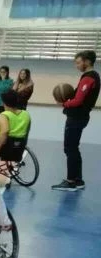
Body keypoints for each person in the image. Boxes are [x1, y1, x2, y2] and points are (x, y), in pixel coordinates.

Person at [52, 50, 99, 191]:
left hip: (77, 118)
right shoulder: (90, 76)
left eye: (78, 63)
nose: (76, 65)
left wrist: (63, 103)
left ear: (87, 61)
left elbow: (78, 101)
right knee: (74, 148)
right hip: (80, 117)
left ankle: (71, 181)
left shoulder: (89, 78)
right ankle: (78, 180)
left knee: (70, 148)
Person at [0, 89, 31, 158]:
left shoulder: (3, 116)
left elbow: (4, 132)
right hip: (20, 144)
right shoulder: (26, 114)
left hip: (5, 143)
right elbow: (27, 131)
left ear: (3, 102)